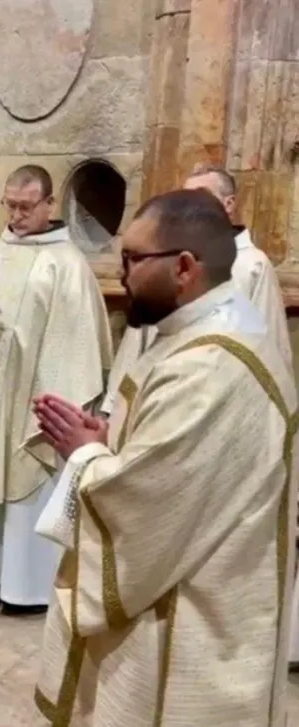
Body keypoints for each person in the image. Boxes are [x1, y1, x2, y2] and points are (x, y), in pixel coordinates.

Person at [32, 188, 295, 726]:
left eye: (131, 259)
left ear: (183, 267)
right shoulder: (215, 322)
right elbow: (176, 455)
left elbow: (148, 502)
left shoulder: (211, 367)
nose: (120, 272)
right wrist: (111, 435)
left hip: (195, 609)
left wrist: (86, 457)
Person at [0, 165, 112, 614]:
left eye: (26, 207)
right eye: (10, 206)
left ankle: (19, 585)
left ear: (50, 204)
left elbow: (78, 343)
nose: (16, 216)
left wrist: (51, 402)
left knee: (23, 476)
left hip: (26, 399)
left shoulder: (67, 264)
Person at [102, 165, 291, 415]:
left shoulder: (252, 264)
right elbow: (141, 336)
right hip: (159, 390)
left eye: (200, 196)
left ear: (229, 203)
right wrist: (115, 405)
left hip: (215, 400)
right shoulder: (164, 258)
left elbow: (268, 342)